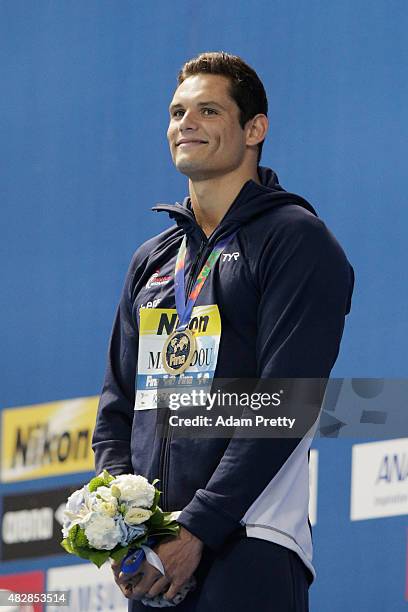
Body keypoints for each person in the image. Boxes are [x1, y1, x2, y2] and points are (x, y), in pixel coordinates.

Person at [92, 51, 354, 611]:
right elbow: (117, 409)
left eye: (208, 110)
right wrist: (124, 525)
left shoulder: (293, 240)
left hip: (247, 541)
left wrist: (200, 527)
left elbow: (285, 402)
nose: (185, 123)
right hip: (156, 559)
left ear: (254, 129)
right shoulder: (153, 259)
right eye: (177, 111)